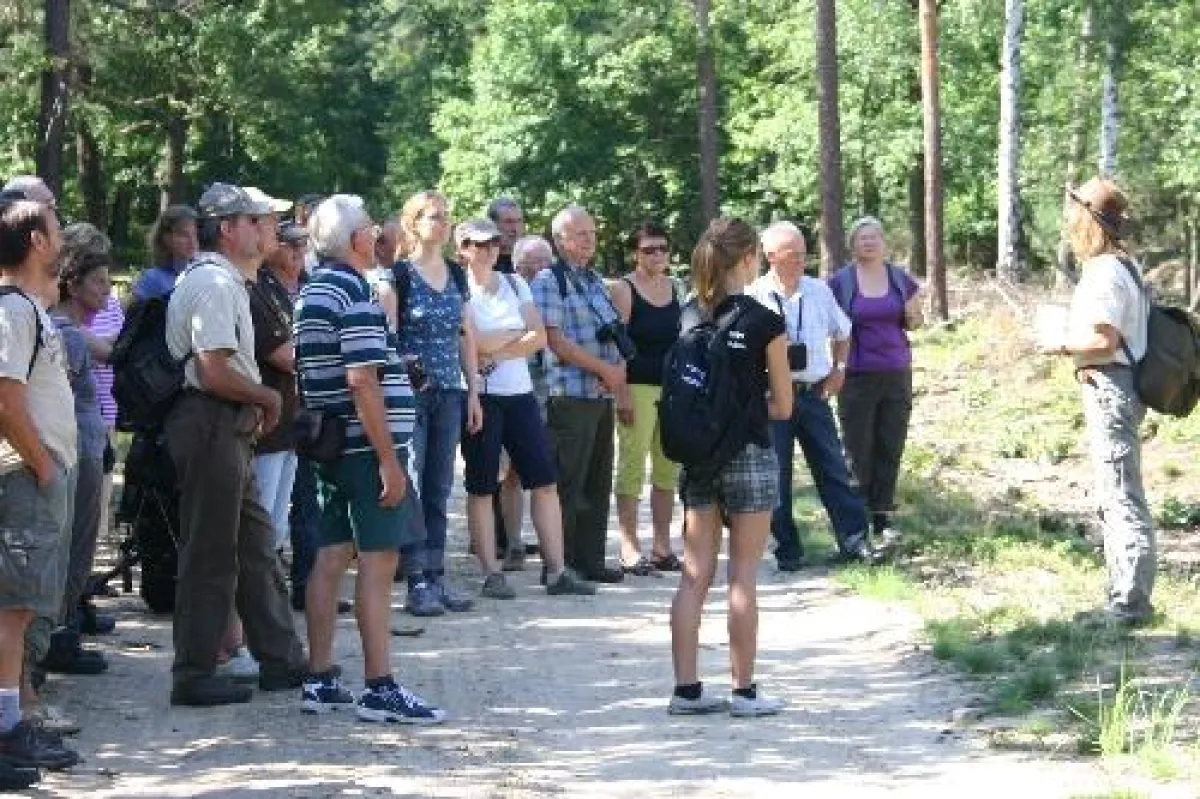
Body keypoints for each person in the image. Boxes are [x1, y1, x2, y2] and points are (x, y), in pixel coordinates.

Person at [295, 194, 446, 724]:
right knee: (378, 563)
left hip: (332, 446)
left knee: (331, 555)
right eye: (371, 231)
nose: (378, 237)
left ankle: (319, 677)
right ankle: (380, 685)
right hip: (363, 449)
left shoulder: (312, 289)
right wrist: (388, 459)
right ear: (358, 240)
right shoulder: (353, 292)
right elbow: (361, 378)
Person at [163, 183, 308, 707]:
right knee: (211, 551)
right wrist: (269, 396)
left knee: (253, 546)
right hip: (211, 421)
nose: (272, 228)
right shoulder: (215, 285)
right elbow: (213, 370)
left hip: (226, 424)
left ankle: (280, 658)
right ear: (228, 228)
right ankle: (194, 671)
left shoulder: (232, 282)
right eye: (259, 219)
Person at [668, 217, 792, 718]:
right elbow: (783, 405)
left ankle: (686, 690)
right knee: (743, 573)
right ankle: (743, 692)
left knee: (694, 575)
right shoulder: (764, 321)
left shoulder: (685, 316)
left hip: (698, 456)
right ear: (747, 260)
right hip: (749, 456)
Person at [456, 219, 595, 598]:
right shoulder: (459, 289)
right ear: (463, 248)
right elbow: (470, 339)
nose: (488, 250)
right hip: (482, 395)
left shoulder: (516, 284)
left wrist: (492, 349)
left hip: (520, 395)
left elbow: (537, 338)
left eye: (493, 243)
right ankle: (490, 571)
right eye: (479, 244)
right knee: (483, 485)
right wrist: (501, 340)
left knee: (543, 481)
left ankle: (556, 569)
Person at [1042, 178, 1155, 626]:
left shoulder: (1107, 271)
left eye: (1075, 214)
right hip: (1113, 384)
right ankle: (1122, 596)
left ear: (1090, 221)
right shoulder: (1120, 266)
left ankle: (1130, 603)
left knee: (1121, 493)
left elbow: (1103, 339)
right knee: (1115, 491)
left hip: (1111, 385)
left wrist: (1058, 344)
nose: (1068, 221)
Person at [0, 197, 82, 773]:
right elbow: (5, 396)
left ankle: (13, 721)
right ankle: (7, 727)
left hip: (37, 474)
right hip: (26, 477)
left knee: (23, 609)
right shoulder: (12, 310)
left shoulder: (29, 306)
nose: (61, 236)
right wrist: (43, 463)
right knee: (13, 607)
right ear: (34, 241)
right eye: (54, 227)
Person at [749, 222, 877, 569]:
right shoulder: (754, 295)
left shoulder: (818, 290)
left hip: (813, 393)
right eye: (792, 255)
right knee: (776, 475)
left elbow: (844, 331)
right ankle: (787, 550)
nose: (799, 262)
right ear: (771, 256)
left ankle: (855, 542)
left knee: (833, 467)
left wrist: (839, 369)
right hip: (772, 395)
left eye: (804, 254)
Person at [391, 191, 482, 617]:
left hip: (450, 392)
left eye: (446, 217)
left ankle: (437, 574)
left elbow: (466, 335)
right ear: (413, 223)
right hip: (412, 395)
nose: (442, 224)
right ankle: (416, 580)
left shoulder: (456, 274)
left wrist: (474, 391)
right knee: (411, 483)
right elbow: (389, 341)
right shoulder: (399, 276)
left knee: (440, 486)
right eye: (433, 217)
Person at [531, 205, 628, 583]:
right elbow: (555, 341)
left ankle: (590, 560)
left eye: (592, 232)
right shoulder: (547, 281)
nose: (590, 240)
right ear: (560, 241)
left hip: (601, 394)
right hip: (568, 394)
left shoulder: (593, 281)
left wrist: (617, 371)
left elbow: (612, 332)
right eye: (580, 234)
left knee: (598, 480)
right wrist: (604, 369)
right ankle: (561, 563)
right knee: (568, 481)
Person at [41, 226, 117, 681]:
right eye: (99, 283)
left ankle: (64, 629)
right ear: (73, 284)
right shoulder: (68, 334)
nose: (108, 293)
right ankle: (59, 637)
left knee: (83, 546)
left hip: (90, 443)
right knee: (75, 547)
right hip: (79, 451)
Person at [827, 217, 922, 544]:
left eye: (874, 237)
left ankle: (882, 516)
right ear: (853, 244)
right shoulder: (840, 282)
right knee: (857, 448)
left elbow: (914, 322)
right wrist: (833, 367)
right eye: (862, 238)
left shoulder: (900, 279)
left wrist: (915, 314)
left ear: (883, 242)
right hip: (855, 375)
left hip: (896, 371)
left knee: (890, 444)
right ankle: (856, 520)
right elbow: (831, 328)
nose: (868, 242)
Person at [610, 221, 682, 576]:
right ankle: (628, 546)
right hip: (637, 385)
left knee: (668, 469)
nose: (656, 255)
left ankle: (662, 546)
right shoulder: (624, 289)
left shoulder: (677, 288)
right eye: (648, 249)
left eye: (662, 248)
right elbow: (618, 345)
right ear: (635, 254)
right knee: (633, 466)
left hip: (672, 389)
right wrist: (620, 391)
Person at [493, 234, 556, 569]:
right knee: (511, 474)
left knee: (546, 477)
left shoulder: (556, 290)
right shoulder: (507, 291)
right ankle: (514, 543)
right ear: (516, 265)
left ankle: (554, 552)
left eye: (544, 262)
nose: (537, 269)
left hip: (551, 393)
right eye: (529, 264)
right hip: (512, 391)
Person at [132, 205, 198, 301]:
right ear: (166, 238)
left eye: (195, 234)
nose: (192, 241)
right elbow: (131, 313)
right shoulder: (153, 279)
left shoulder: (206, 272)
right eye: (184, 234)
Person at [488, 197, 525, 274]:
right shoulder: (481, 262)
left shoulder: (532, 260)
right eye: (508, 222)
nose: (515, 229)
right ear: (492, 224)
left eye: (519, 221)